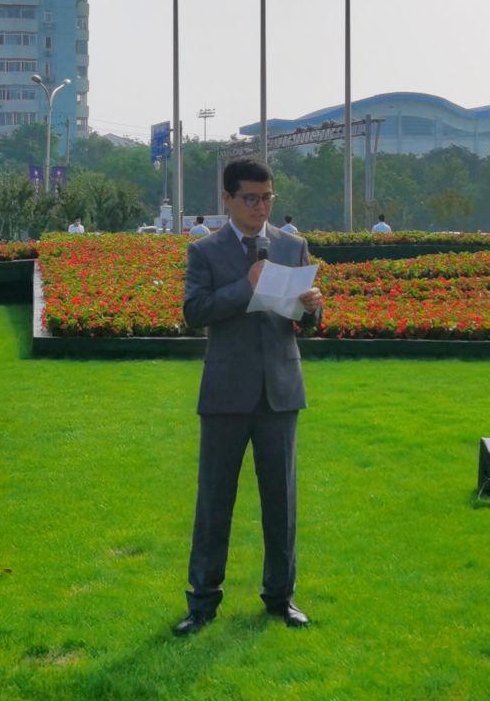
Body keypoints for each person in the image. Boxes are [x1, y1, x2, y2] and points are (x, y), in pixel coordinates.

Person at [175, 157, 323, 636]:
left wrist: (312, 308)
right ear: (228, 199)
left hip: (280, 391)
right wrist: (246, 286)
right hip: (226, 393)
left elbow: (305, 322)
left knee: (282, 502)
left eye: (267, 198)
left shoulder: (293, 246)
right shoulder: (205, 251)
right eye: (251, 198)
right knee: (214, 501)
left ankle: (281, 598)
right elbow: (195, 311)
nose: (261, 207)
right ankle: (202, 602)